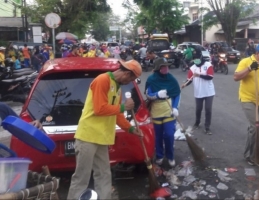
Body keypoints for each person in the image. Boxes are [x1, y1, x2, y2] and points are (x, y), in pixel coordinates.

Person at [67, 60, 143, 200]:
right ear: (127, 74)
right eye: (131, 79)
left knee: (104, 175)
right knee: (82, 177)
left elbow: (117, 115)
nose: (130, 82)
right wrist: (123, 107)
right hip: (88, 137)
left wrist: (131, 129)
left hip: (102, 138)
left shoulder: (118, 88)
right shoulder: (103, 80)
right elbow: (99, 109)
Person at [233, 42, 259, 166]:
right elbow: (236, 77)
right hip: (247, 99)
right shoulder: (245, 62)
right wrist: (250, 68)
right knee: (257, 127)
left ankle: (256, 152)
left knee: (256, 128)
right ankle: (250, 155)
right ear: (257, 53)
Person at [145, 58, 181, 167]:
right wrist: (157, 95)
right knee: (158, 136)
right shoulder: (151, 79)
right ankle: (160, 155)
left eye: (167, 66)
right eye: (163, 67)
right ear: (157, 68)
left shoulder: (172, 79)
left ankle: (170, 156)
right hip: (156, 111)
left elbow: (177, 94)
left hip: (168, 110)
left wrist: (175, 108)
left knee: (169, 135)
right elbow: (148, 94)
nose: (166, 68)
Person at [181, 53, 215, 135]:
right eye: (194, 59)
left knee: (208, 109)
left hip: (209, 92)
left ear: (201, 58)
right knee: (198, 109)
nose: (196, 60)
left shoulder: (208, 64)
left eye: (197, 58)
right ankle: (197, 123)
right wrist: (185, 84)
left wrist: (199, 75)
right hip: (198, 92)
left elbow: (210, 77)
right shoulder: (192, 68)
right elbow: (190, 80)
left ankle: (207, 127)